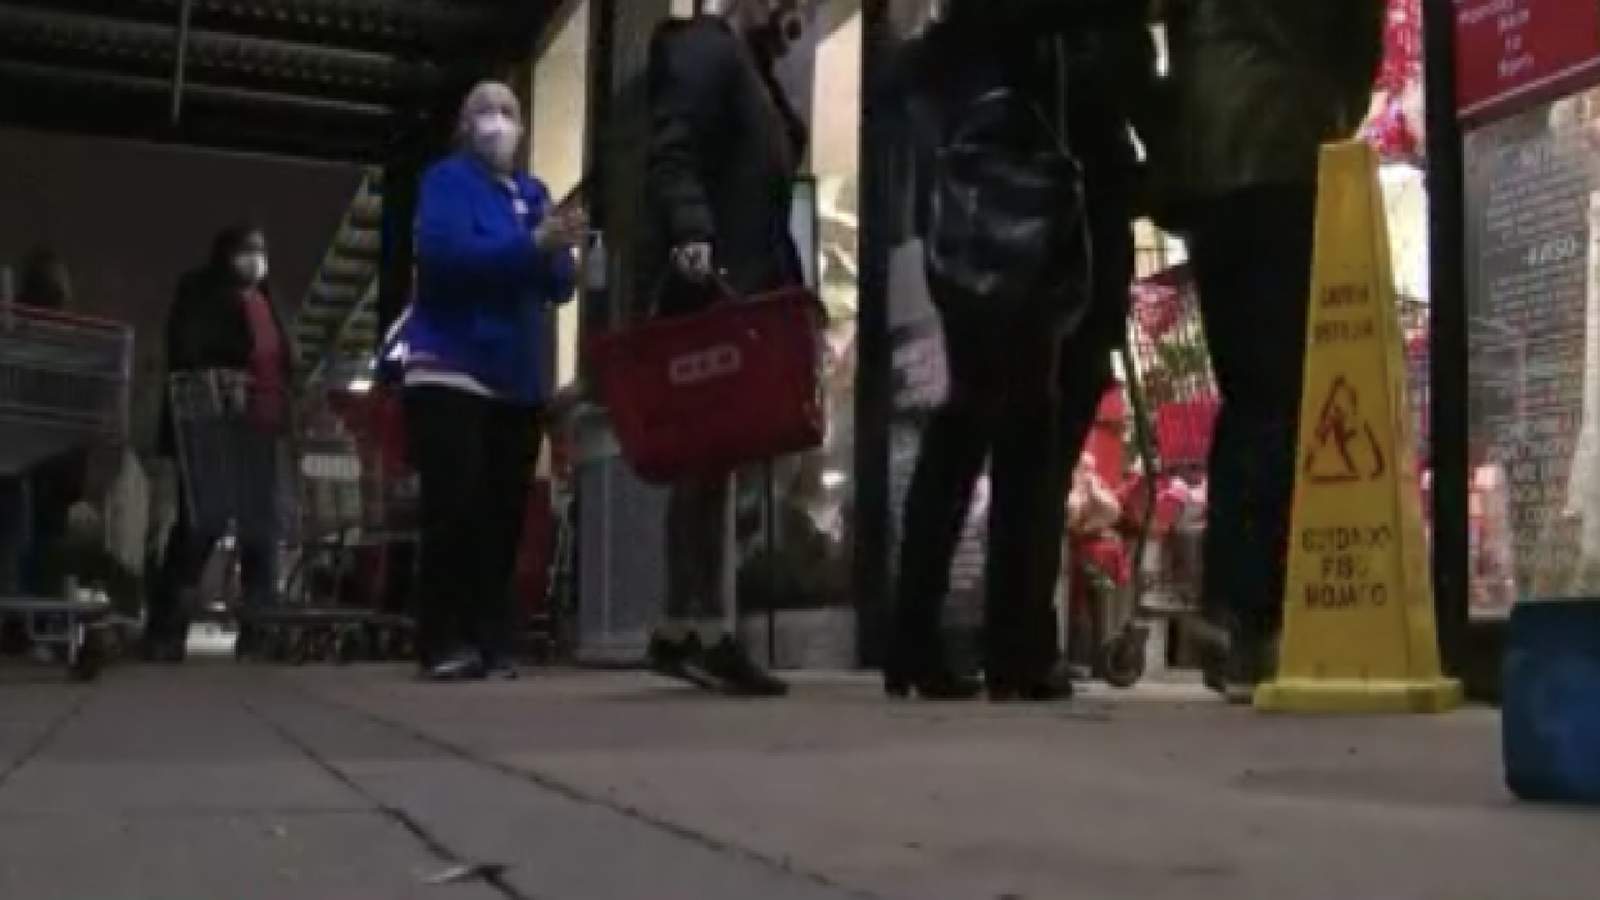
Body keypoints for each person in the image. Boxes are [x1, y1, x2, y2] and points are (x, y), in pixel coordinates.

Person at [884, 0, 1152, 702]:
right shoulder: (1050, 37)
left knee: (968, 420)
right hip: (1040, 230)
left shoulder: (954, 50)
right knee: (1030, 432)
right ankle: (1017, 643)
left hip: (970, 231)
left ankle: (914, 633)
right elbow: (1100, 100)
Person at [1156, 0, 1383, 701]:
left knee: (1247, 386)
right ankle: (1256, 614)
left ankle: (1232, 606)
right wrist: (1335, 114)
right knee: (1279, 391)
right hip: (1286, 153)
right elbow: (1357, 40)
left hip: (1209, 165)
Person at [642, 0, 808, 697]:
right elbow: (674, 142)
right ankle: (701, 628)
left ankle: (687, 627)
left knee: (714, 462)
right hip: (715, 279)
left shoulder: (752, 70)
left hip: (743, 285)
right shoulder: (707, 49)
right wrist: (690, 226)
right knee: (710, 461)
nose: (790, 11)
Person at [403, 80, 583, 681]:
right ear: (463, 124)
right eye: (483, 109)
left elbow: (556, 285)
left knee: (504, 515)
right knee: (453, 507)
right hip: (452, 369)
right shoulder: (446, 183)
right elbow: (447, 260)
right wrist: (530, 245)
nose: (497, 121)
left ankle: (492, 637)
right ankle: (442, 638)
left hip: (516, 379)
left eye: (509, 111)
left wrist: (560, 248)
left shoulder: (533, 193)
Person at [146, 226, 290, 661]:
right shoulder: (200, 292)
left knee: (260, 531)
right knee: (199, 527)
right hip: (208, 429)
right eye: (245, 250)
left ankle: (260, 632)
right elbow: (188, 347)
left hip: (257, 431)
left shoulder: (268, 301)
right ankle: (166, 630)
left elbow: (285, 356)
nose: (255, 259)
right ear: (224, 254)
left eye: (261, 250)